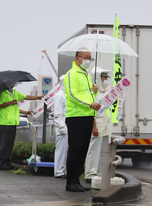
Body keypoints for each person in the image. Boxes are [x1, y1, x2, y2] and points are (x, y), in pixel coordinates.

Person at [64, 49, 101, 192]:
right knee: (75, 150)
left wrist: (94, 91)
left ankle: (76, 180)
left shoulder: (86, 75)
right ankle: (71, 182)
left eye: (90, 58)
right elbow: (72, 94)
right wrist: (89, 104)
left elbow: (85, 95)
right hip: (76, 116)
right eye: (86, 57)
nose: (88, 60)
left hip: (87, 115)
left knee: (82, 150)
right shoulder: (72, 74)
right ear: (77, 58)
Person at [0, 85, 45, 170]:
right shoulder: (1, 93)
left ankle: (5, 161)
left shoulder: (14, 92)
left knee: (9, 143)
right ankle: (1, 163)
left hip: (12, 122)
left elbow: (26, 97)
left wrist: (39, 97)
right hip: (4, 122)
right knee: (4, 144)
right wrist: (11, 102)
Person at [85, 68, 111, 183]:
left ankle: (100, 173)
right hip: (97, 124)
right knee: (93, 150)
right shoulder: (91, 93)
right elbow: (90, 111)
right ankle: (90, 174)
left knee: (103, 150)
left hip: (105, 124)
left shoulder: (104, 92)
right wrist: (93, 126)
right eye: (103, 77)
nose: (105, 79)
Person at [53, 75, 68, 178]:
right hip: (62, 126)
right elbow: (57, 113)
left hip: (67, 126)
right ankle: (59, 172)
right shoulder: (59, 95)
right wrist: (61, 126)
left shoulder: (67, 94)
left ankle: (63, 171)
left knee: (66, 150)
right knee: (61, 150)